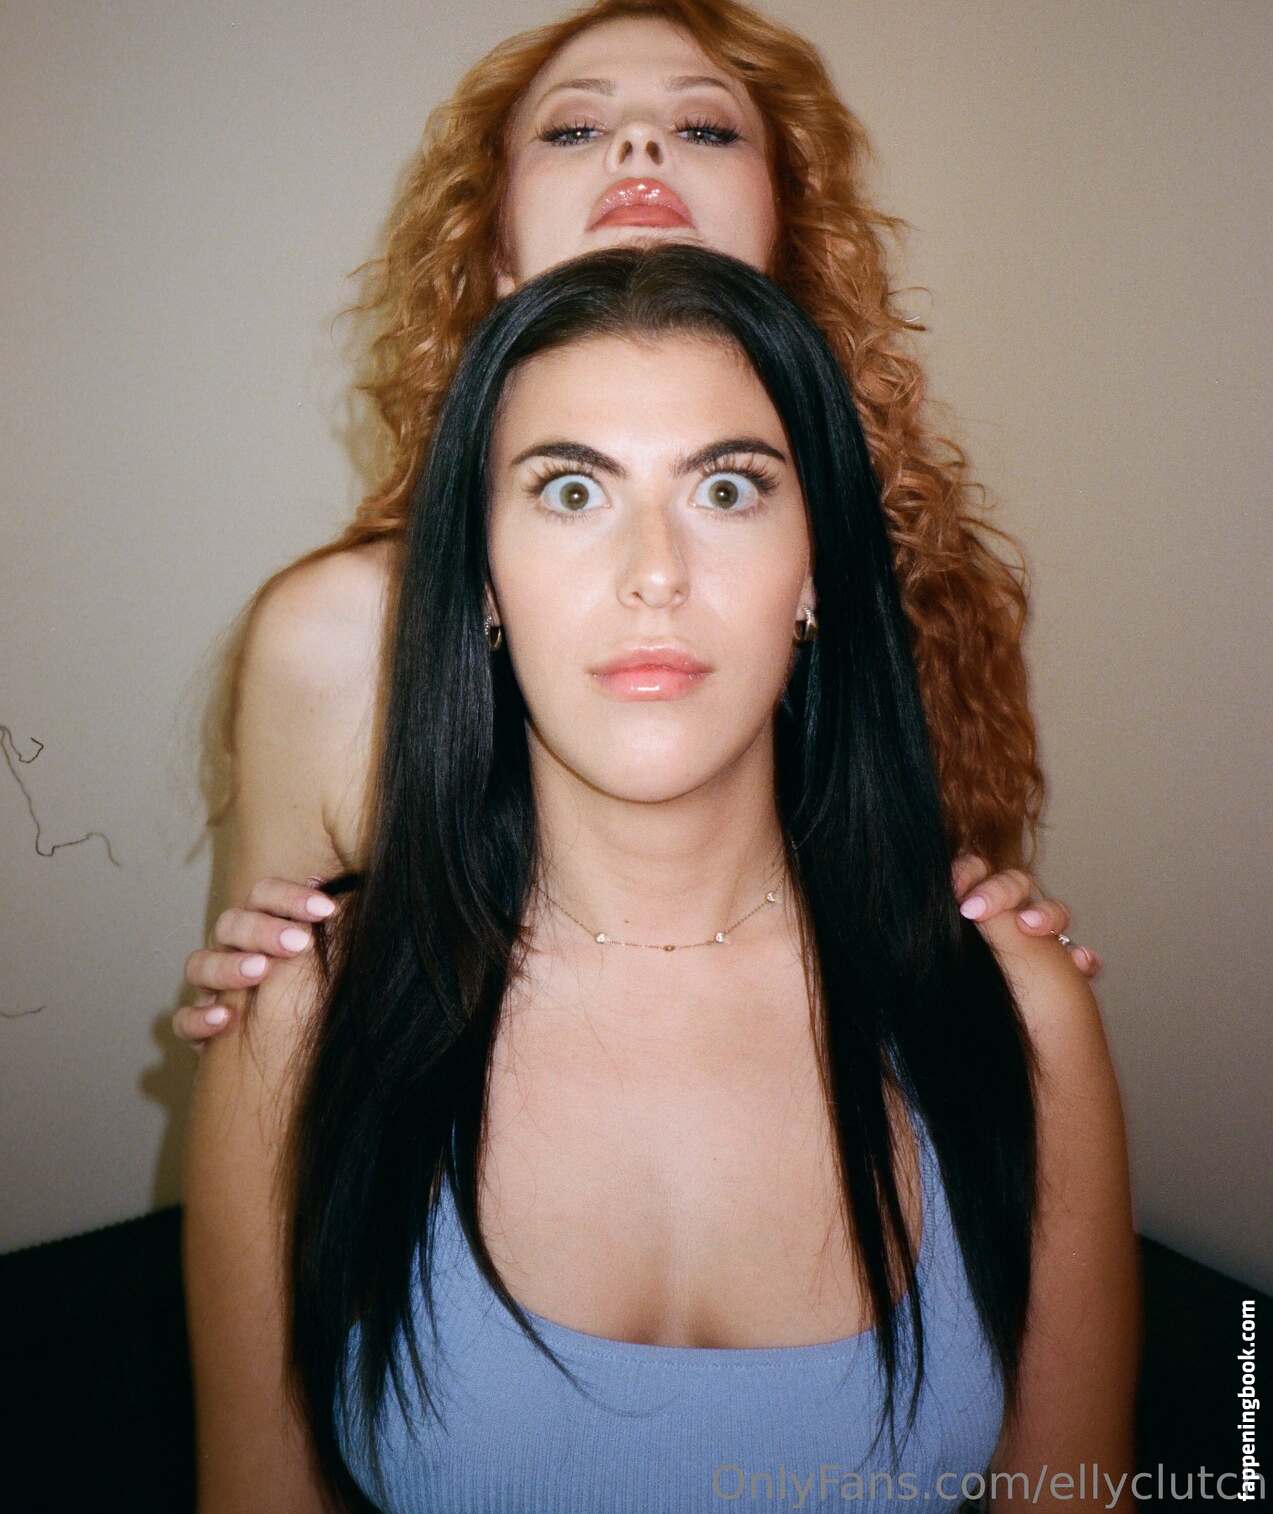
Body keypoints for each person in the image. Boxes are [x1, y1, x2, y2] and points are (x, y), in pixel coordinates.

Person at [183, 245, 1138, 1514]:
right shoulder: (299, 1021)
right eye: (571, 490)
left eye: (727, 489)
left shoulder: (1016, 1008)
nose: (653, 572)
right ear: (480, 581)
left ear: (815, 570)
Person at [174, 0, 1096, 1051]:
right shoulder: (339, 632)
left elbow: (917, 941)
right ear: (496, 253)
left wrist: (999, 973)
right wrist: (266, 1009)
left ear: (790, 240)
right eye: (575, 128)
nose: (641, 147)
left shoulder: (924, 595)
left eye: (704, 127)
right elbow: (282, 1047)